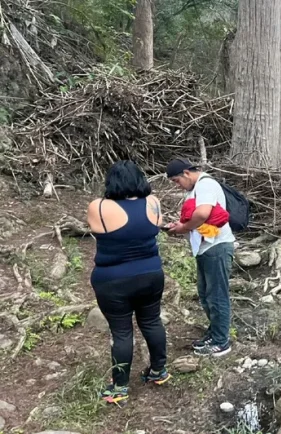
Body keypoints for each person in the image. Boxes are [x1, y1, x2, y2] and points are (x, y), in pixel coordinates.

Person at [86, 160, 171, 404]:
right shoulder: (153, 202)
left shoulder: (99, 207)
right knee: (152, 321)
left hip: (112, 279)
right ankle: (158, 371)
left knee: (122, 331)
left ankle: (120, 387)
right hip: (151, 273)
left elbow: (95, 229)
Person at [166, 158, 235, 357]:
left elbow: (203, 213)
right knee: (206, 294)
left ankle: (222, 342)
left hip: (217, 247)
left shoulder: (206, 185)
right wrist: (179, 226)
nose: (178, 186)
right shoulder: (196, 189)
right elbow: (197, 218)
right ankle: (214, 333)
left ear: (186, 173)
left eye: (177, 181)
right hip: (205, 248)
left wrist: (184, 228)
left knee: (217, 295)